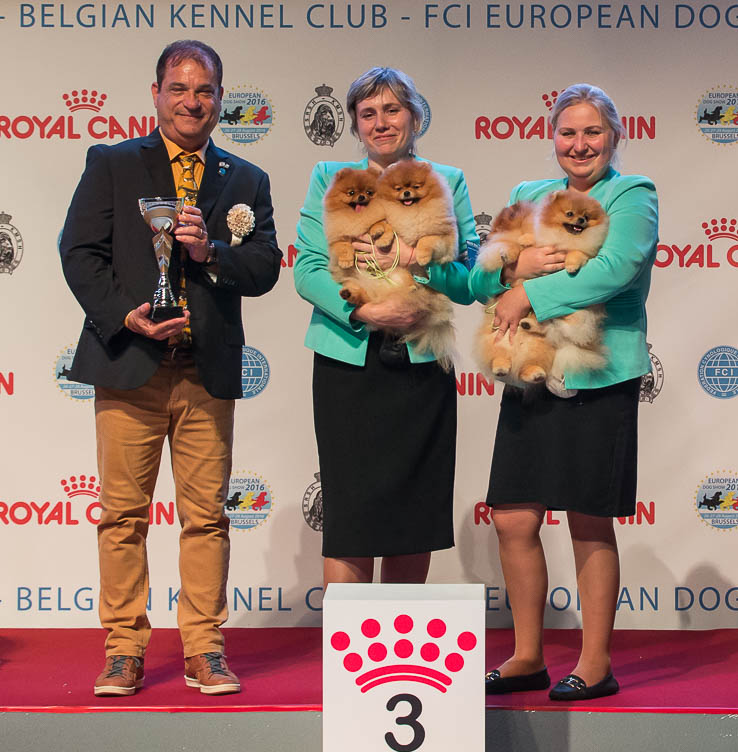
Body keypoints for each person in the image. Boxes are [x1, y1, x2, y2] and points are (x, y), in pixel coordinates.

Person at [59, 40, 282, 697]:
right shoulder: (113, 163)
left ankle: (204, 648)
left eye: (204, 90)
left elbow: (264, 267)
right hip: (130, 362)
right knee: (123, 517)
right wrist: (123, 317)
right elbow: (79, 252)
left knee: (207, 517)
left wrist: (212, 252)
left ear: (221, 99)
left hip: (204, 371)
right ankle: (123, 651)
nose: (192, 102)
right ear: (156, 94)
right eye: (179, 89)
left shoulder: (246, 180)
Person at [469, 83, 658, 701]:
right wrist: (512, 270)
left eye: (592, 132)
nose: (580, 144)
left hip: (600, 373)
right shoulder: (529, 194)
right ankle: (527, 656)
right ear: (553, 138)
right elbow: (481, 277)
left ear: (614, 136)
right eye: (568, 132)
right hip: (531, 372)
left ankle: (595, 663)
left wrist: (528, 291)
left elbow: (616, 269)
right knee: (512, 517)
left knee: (589, 520)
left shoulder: (633, 193)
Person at [294, 66, 477, 587]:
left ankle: (400, 638)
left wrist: (417, 261)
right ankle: (351, 640)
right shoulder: (329, 177)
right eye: (368, 113)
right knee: (351, 520)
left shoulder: (448, 180)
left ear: (414, 116)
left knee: (412, 518)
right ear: (355, 123)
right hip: (348, 365)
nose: (381, 122)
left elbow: (467, 281)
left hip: (421, 365)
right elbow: (307, 270)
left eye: (392, 109)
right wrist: (365, 312)